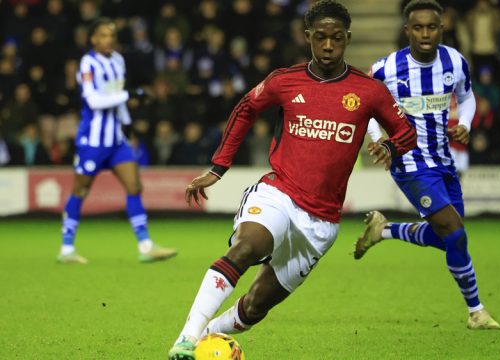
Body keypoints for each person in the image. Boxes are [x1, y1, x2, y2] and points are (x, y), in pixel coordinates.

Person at [168, 1, 417, 358]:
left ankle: (204, 336)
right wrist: (218, 168)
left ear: (347, 38)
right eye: (320, 38)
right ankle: (187, 339)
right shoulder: (285, 81)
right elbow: (245, 108)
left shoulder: (368, 91)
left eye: (336, 38)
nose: (328, 46)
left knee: (255, 307)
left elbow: (406, 132)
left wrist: (393, 148)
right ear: (307, 38)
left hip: (321, 223)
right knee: (246, 248)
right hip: (278, 194)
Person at [358, 0, 500, 330]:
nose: (425, 33)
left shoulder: (455, 61)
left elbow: (466, 96)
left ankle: (386, 230)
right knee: (455, 231)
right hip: (408, 162)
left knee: (448, 236)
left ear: (441, 28)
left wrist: (465, 121)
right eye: (418, 27)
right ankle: (476, 311)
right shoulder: (385, 68)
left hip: (443, 160)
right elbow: (366, 107)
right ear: (407, 30)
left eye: (431, 27)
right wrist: (378, 138)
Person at [57, 18, 177, 264]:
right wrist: (129, 94)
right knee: (80, 190)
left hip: (116, 140)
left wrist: (127, 121)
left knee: (134, 186)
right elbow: (94, 101)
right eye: (102, 35)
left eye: (111, 35)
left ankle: (145, 245)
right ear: (92, 39)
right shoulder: (88, 63)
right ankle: (66, 248)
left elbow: (117, 98)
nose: (108, 39)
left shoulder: (118, 60)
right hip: (92, 141)